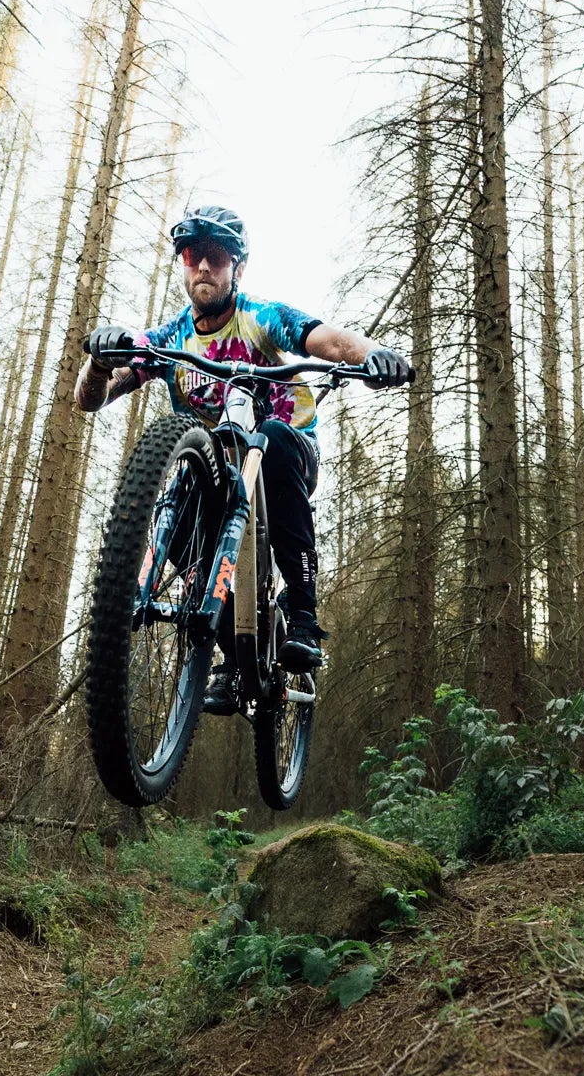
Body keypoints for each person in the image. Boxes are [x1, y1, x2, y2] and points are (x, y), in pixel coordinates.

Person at [74, 205, 410, 703]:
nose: (203, 266)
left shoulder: (260, 317)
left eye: (216, 256)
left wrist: (373, 355)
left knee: (270, 438)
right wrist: (101, 363)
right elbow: (92, 398)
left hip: (287, 453)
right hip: (218, 467)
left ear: (238, 266)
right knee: (184, 517)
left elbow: (328, 341)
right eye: (192, 255)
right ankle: (233, 655)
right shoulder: (172, 337)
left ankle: (302, 613)